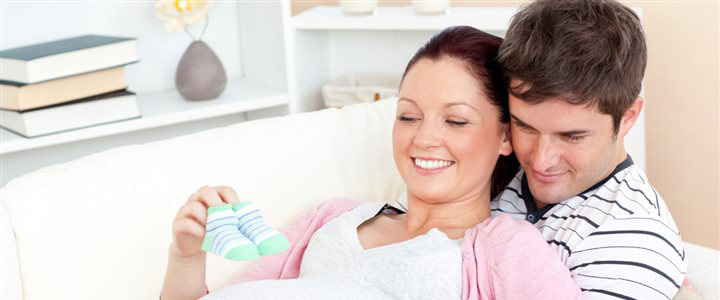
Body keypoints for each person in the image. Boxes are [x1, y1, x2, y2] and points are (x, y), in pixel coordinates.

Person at [160, 26, 582, 300]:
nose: (423, 138)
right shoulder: (331, 217)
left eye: (455, 120)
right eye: (408, 116)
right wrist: (186, 256)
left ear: (506, 136)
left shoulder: (504, 248)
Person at [489, 0, 688, 299]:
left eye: (571, 136)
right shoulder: (494, 160)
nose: (540, 160)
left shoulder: (632, 239)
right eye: (525, 126)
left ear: (628, 117)